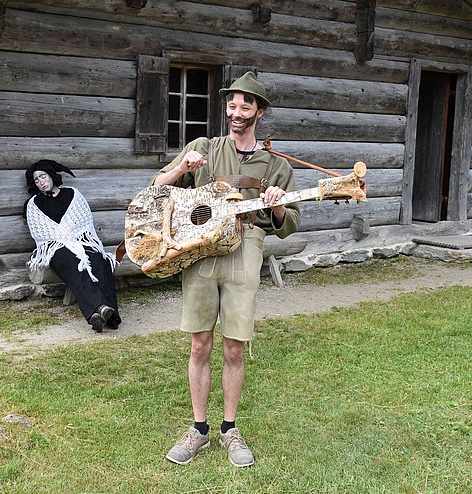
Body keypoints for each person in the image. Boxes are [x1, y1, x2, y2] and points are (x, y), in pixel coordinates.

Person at [155, 72, 301, 467]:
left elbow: (289, 225)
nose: (236, 113)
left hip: (246, 249)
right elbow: (160, 186)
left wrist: (277, 205)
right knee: (199, 344)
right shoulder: (205, 146)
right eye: (232, 105)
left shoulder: (277, 165)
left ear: (260, 112)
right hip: (202, 250)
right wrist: (183, 167)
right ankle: (199, 430)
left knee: (234, 346)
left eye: (245, 106)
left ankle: (229, 431)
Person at [24, 160, 121, 332]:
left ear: (52, 176)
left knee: (99, 261)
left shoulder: (73, 194)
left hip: (82, 239)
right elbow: (40, 234)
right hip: (54, 246)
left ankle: (102, 315)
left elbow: (85, 222)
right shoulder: (34, 204)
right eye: (37, 180)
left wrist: (75, 239)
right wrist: (64, 238)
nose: (41, 182)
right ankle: (100, 308)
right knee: (73, 263)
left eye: (43, 177)